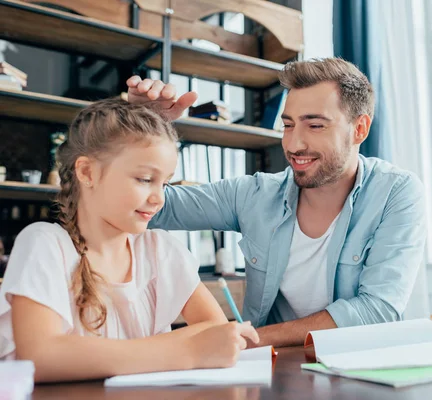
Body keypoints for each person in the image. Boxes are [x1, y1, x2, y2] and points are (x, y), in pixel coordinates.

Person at [126, 57, 427, 348]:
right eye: (288, 125)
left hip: (366, 375)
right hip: (277, 373)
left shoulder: (396, 192)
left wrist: (249, 341)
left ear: (359, 129)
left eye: (315, 126)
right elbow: (152, 208)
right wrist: (144, 132)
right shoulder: (255, 194)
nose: (294, 144)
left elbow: (377, 309)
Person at [0, 98, 259, 382]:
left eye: (165, 183)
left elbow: (214, 330)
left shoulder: (160, 249)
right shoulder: (44, 245)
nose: (159, 198)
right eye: (145, 179)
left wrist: (88, 355)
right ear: (87, 172)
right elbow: (41, 356)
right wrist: (184, 352)